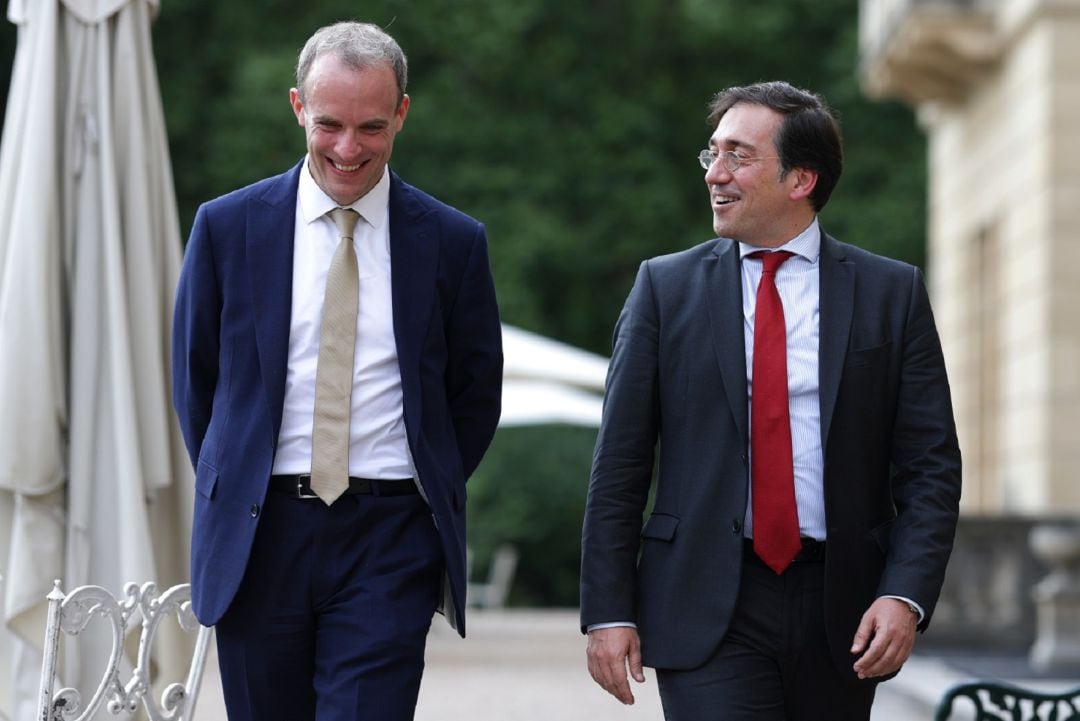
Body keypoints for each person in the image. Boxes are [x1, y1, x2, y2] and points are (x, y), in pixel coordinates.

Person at [579, 81, 961, 721]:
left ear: (801, 178)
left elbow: (931, 466)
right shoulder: (663, 290)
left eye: (737, 156)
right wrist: (608, 609)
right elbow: (619, 462)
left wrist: (905, 594)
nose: (714, 174)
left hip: (842, 605)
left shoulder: (891, 294)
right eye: (712, 153)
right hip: (703, 600)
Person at [172, 21, 502, 721]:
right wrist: (238, 482)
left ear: (402, 114)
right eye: (329, 125)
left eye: (371, 127)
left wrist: (415, 489)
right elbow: (197, 383)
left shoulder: (452, 242)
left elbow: (474, 397)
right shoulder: (227, 228)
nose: (348, 149)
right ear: (298, 107)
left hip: (390, 539)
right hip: (259, 537)